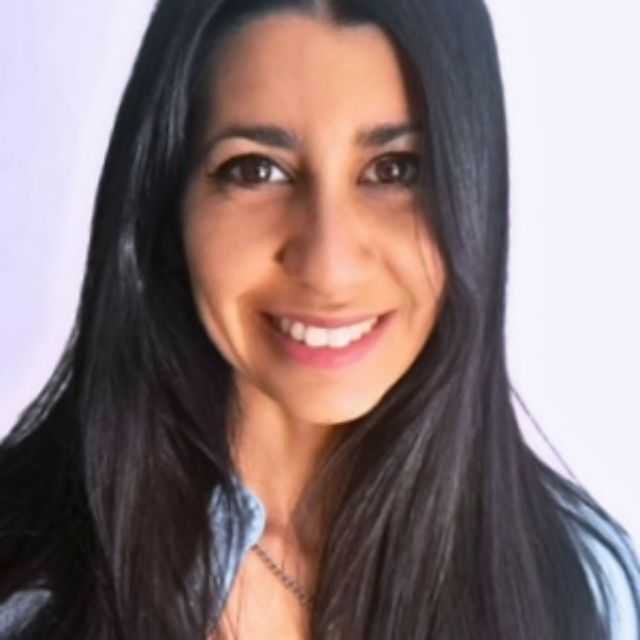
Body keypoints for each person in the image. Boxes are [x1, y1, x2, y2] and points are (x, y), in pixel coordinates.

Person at [0, 0, 638, 638]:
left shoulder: (581, 588)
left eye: (396, 170)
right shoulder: (24, 585)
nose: (328, 267)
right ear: (167, 203)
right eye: (256, 170)